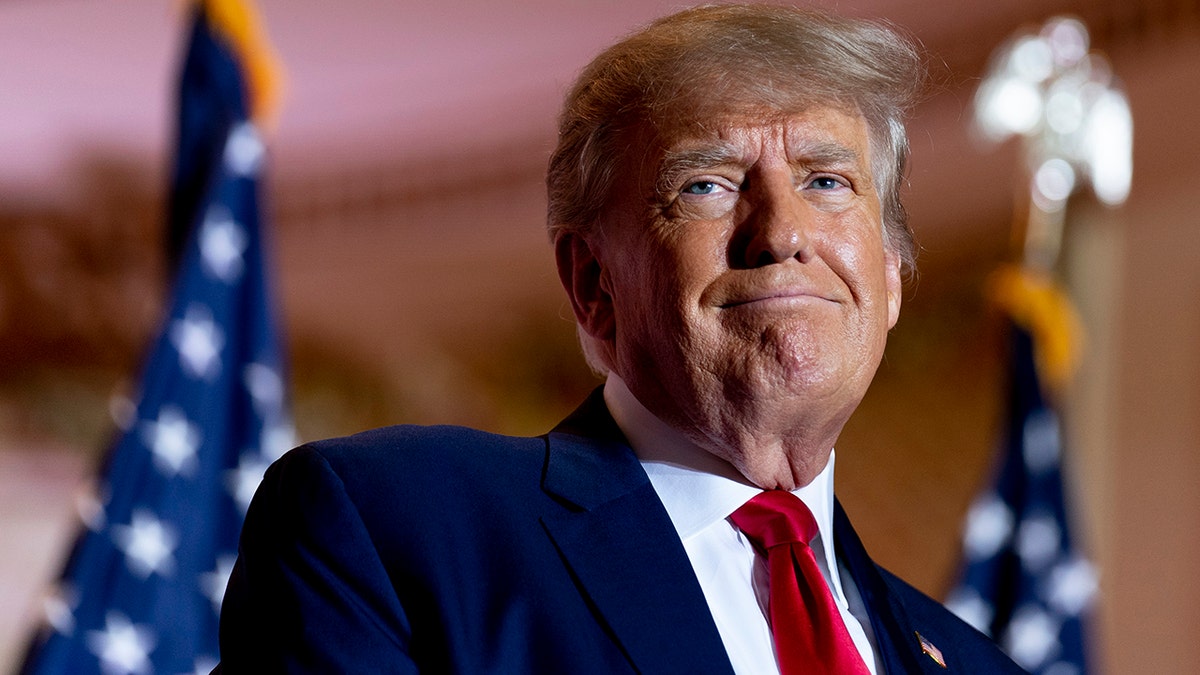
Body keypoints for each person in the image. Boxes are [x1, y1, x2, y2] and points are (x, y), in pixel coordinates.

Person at [216, 5, 1025, 673]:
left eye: (827, 181)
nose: (781, 232)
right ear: (593, 282)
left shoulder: (976, 663)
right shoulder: (397, 532)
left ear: (887, 276)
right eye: (707, 185)